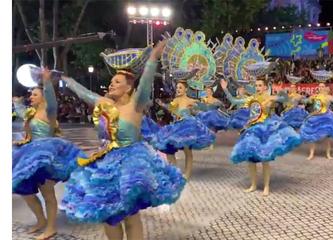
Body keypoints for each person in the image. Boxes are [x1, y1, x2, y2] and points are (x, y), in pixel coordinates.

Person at [60, 41, 186, 240]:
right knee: (108, 215)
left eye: (117, 82)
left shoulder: (136, 105)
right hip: (106, 161)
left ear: (129, 88)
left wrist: (153, 58)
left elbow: (144, 84)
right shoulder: (104, 104)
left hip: (131, 161)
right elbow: (86, 94)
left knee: (130, 215)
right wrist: (68, 80)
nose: (112, 84)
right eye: (112, 81)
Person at [12, 69, 85, 240]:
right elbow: (21, 111)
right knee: (25, 191)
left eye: (35, 95)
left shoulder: (49, 112)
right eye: (31, 95)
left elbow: (52, 101)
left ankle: (51, 227)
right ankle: (41, 220)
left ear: (43, 96)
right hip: (30, 155)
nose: (31, 97)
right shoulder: (31, 113)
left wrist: (46, 82)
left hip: (47, 155)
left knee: (47, 194)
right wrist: (15, 102)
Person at [220, 78, 302, 195]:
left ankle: (266, 186)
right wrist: (225, 89)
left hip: (264, 130)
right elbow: (234, 100)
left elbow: (285, 99)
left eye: (260, 85)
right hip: (251, 130)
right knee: (251, 160)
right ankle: (253, 185)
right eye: (256, 85)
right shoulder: (252, 99)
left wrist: (279, 94)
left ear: (265, 87)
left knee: (265, 159)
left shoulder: (268, 98)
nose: (257, 88)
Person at [153, 81, 216, 180]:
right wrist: (162, 104)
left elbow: (203, 108)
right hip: (177, 126)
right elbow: (172, 109)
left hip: (187, 126)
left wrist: (200, 105)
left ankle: (187, 174)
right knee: (168, 147)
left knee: (187, 151)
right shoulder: (176, 100)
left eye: (180, 88)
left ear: (186, 89)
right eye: (177, 88)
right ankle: (175, 171)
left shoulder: (190, 100)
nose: (178, 89)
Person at [300, 83, 333, 160]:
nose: (321, 88)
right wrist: (301, 98)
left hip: (326, 118)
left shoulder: (328, 97)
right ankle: (311, 154)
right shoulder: (315, 96)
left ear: (325, 88)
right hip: (315, 117)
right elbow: (306, 101)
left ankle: (328, 154)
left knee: (327, 138)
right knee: (313, 137)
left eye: (322, 86)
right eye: (319, 86)